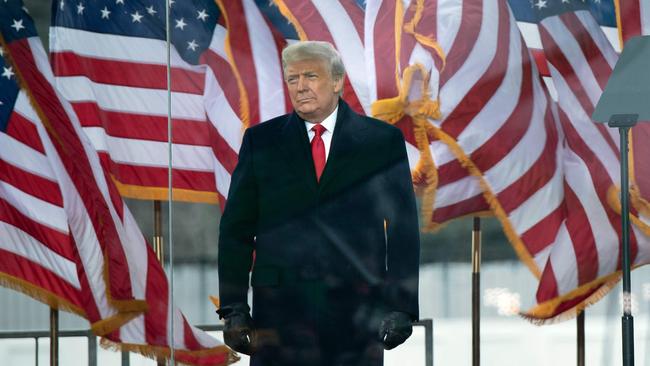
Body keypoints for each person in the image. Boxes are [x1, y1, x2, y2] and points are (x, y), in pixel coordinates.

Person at [217, 41, 420, 366]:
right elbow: (235, 232)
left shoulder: (382, 142)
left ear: (337, 81)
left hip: (356, 314)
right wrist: (234, 308)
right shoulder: (260, 142)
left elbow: (402, 231)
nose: (300, 87)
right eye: (293, 79)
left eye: (310, 76)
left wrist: (401, 306)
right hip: (278, 317)